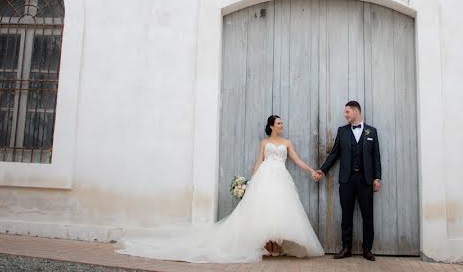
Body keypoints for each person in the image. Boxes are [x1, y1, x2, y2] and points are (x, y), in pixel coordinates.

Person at [117, 115, 324, 263]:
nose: (282, 125)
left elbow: (296, 159)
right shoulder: (264, 142)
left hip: (280, 177)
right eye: (279, 123)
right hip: (265, 176)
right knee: (262, 210)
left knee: (278, 211)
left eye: (281, 123)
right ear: (271, 126)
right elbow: (258, 162)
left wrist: (311, 170)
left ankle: (276, 245)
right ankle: (268, 245)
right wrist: (250, 183)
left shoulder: (286, 142)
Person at [313, 100, 382, 261]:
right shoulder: (342, 131)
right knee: (346, 215)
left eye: (347, 112)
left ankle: (367, 250)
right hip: (347, 180)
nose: (345, 115)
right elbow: (334, 154)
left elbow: (376, 157)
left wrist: (377, 178)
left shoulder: (372, 132)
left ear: (356, 111)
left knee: (367, 216)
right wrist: (322, 170)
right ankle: (346, 248)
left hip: (366, 181)